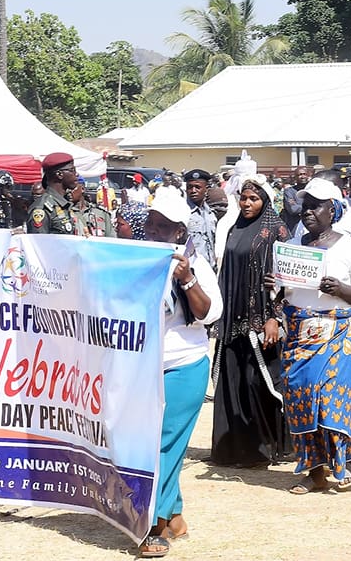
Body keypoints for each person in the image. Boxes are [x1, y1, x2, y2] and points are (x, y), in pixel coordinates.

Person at [271, 178, 351, 494]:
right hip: (300, 336)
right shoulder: (292, 248)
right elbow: (284, 294)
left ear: (332, 210)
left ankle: (345, 462)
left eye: (315, 206)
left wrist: (341, 289)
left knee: (331, 399)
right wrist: (275, 288)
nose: (307, 212)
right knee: (303, 399)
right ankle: (314, 470)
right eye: (304, 207)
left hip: (338, 333)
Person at [138, 191, 223, 558]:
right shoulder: (138, 261)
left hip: (183, 367)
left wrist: (186, 278)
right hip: (143, 369)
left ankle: (153, 525)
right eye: (150, 225)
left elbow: (209, 313)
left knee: (163, 447)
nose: (154, 233)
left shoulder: (196, 263)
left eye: (163, 227)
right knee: (151, 444)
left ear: (179, 232)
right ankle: (174, 517)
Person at [211, 174, 291, 468]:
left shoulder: (276, 230)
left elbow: (285, 281)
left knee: (260, 382)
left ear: (265, 201)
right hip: (234, 320)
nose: (246, 203)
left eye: (253, 199)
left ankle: (264, 448)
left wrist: (275, 318)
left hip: (262, 321)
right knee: (234, 381)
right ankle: (233, 448)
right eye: (243, 198)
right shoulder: (234, 227)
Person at [27, 153, 77, 234]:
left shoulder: (64, 204)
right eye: (72, 170)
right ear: (59, 174)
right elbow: (38, 243)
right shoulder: (42, 208)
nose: (76, 174)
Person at [183, 169, 218, 265]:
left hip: (209, 267)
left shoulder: (210, 213)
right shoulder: (182, 212)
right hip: (191, 269)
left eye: (197, 187)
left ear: (206, 189)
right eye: (190, 187)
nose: (193, 191)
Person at [280, 166, 311, 233]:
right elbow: (293, 209)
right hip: (295, 226)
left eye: (304, 174)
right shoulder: (289, 191)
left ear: (308, 176)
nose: (302, 177)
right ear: (295, 178)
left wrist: (298, 205)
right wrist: (310, 208)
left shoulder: (312, 190)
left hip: (310, 226)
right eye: (299, 175)